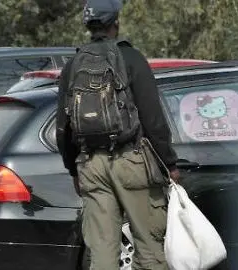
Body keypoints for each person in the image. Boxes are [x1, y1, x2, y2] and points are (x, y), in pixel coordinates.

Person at [55, 0, 179, 269]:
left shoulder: (73, 65)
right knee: (149, 245)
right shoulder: (132, 58)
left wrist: (74, 171)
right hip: (132, 161)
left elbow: (63, 127)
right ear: (116, 23)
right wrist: (169, 164)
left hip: (90, 165)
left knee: (101, 251)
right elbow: (153, 120)